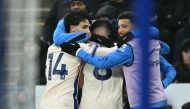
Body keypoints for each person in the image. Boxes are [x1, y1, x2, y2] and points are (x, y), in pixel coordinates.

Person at [61, 11, 176, 109]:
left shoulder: (129, 49)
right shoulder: (151, 44)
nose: (120, 30)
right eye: (119, 27)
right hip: (160, 101)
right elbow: (171, 68)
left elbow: (103, 63)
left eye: (124, 26)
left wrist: (78, 51)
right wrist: (163, 85)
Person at [40, 10, 115, 109]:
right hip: (66, 102)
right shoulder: (80, 46)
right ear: (72, 28)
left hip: (46, 101)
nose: (88, 31)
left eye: (89, 27)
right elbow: (111, 51)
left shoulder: (52, 47)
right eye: (84, 27)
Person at [78, 20, 124, 109]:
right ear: (110, 32)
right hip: (113, 104)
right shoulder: (121, 49)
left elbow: (80, 81)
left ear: (94, 32)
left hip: (88, 104)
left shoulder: (84, 49)